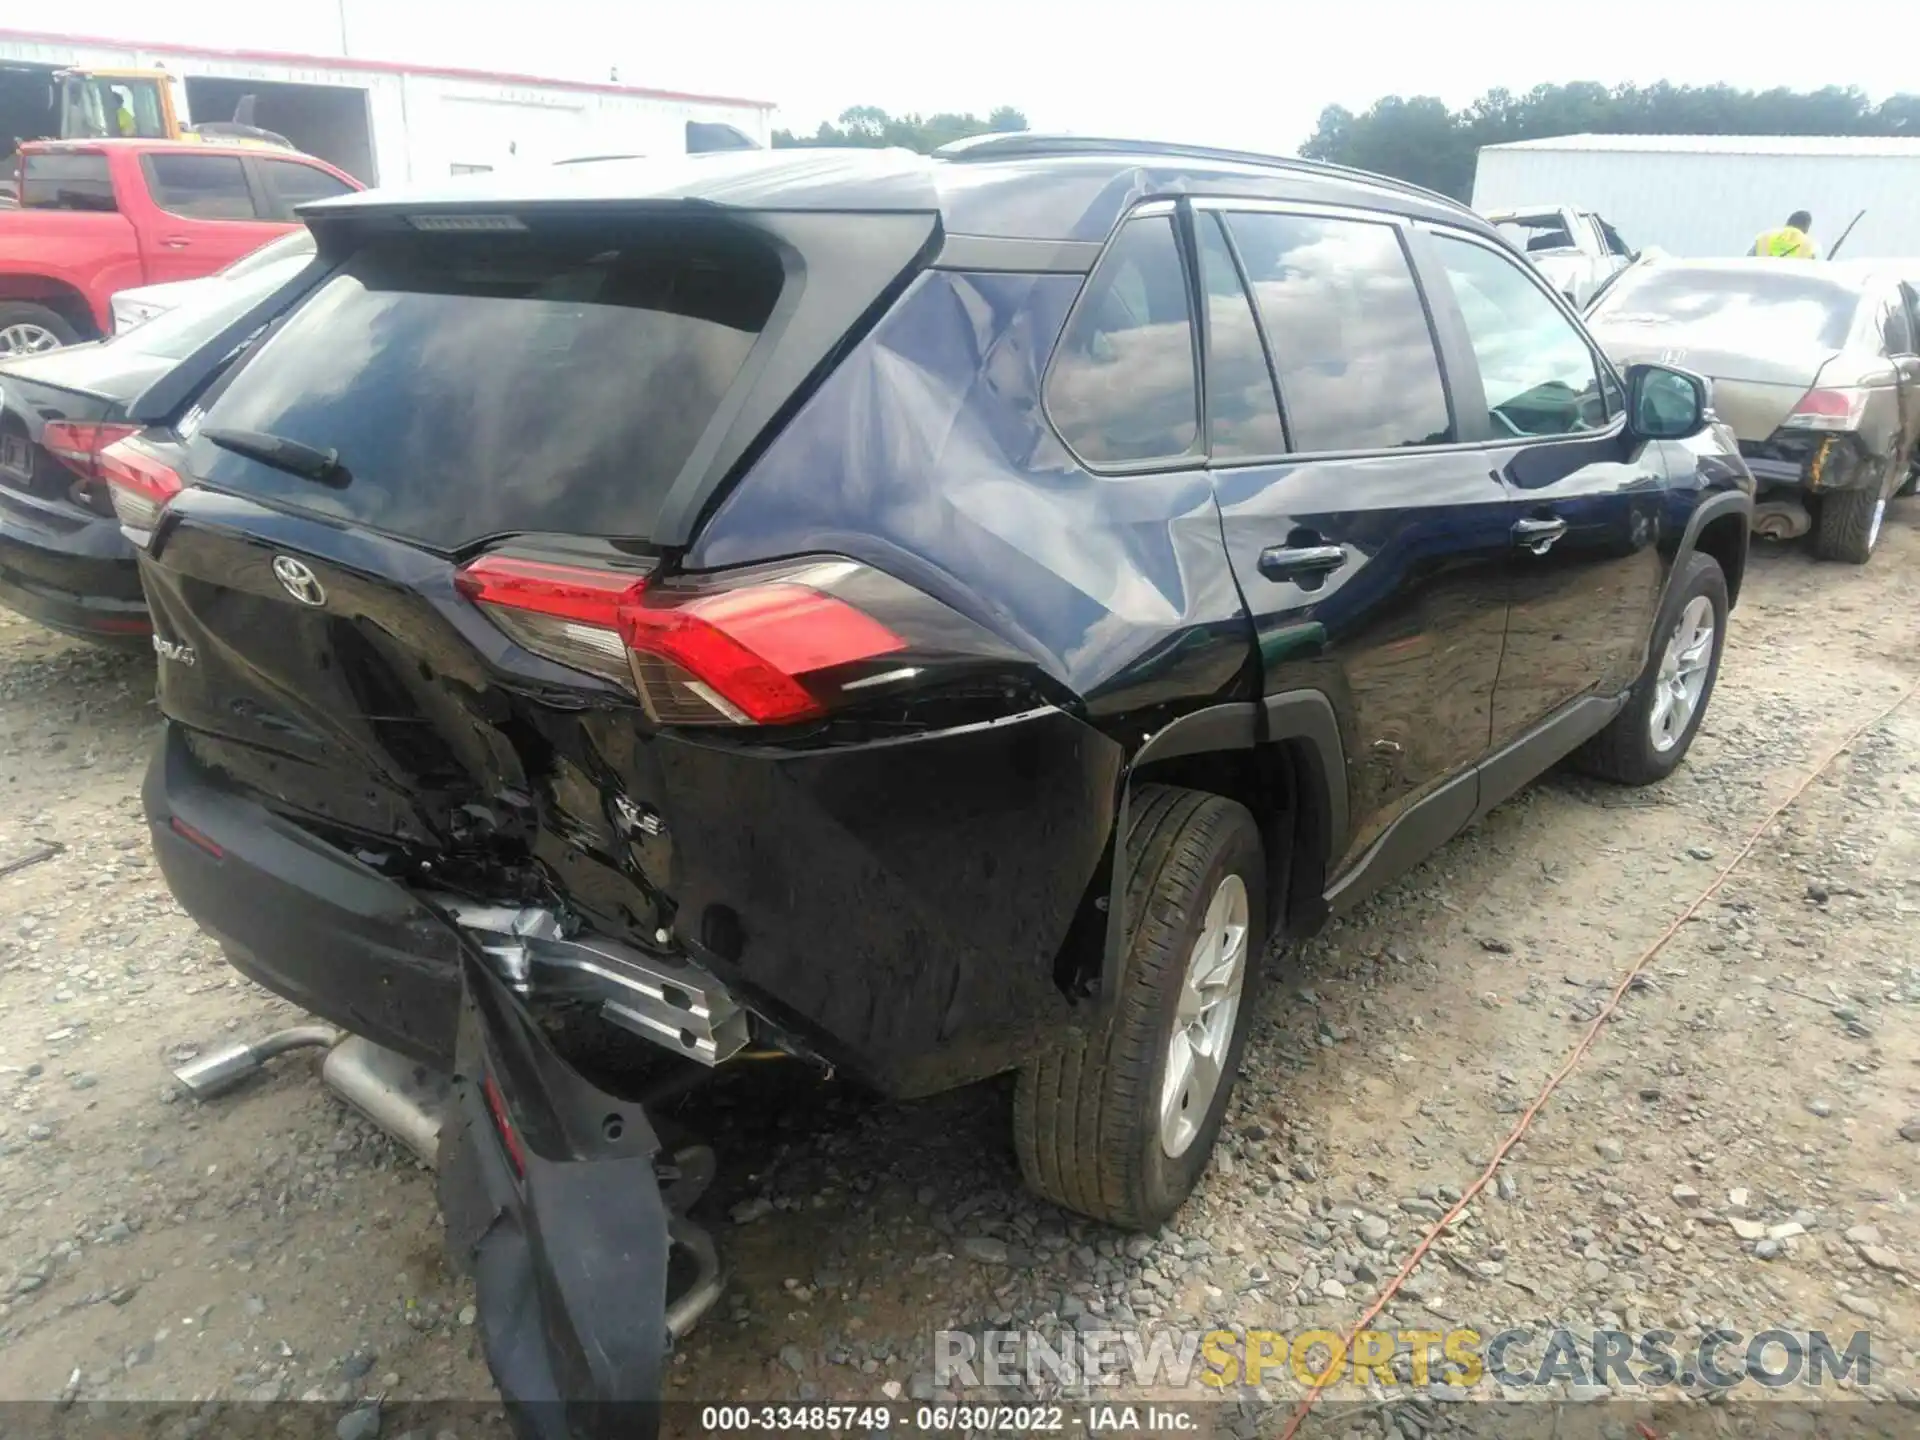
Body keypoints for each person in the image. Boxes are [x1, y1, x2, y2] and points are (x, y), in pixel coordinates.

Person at [1750, 211, 1818, 259]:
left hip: (1762, 277)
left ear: (1787, 223)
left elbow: (1747, 262)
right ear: (1806, 228)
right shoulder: (1810, 246)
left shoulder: (1764, 237)